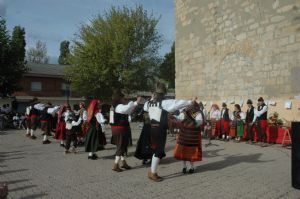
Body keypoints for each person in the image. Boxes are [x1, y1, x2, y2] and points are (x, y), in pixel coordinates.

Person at [143, 82, 194, 182]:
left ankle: (152, 171)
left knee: (156, 150)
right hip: (159, 130)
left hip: (152, 129)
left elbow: (145, 107)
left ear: (154, 93)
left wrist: (152, 98)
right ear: (163, 94)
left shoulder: (148, 103)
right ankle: (152, 173)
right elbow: (176, 104)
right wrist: (189, 102)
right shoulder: (164, 103)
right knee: (159, 151)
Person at [110, 90, 141, 171]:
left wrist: (134, 105)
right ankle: (116, 165)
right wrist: (134, 103)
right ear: (120, 98)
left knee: (121, 145)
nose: (124, 100)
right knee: (121, 146)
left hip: (115, 128)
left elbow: (127, 111)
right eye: (123, 98)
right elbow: (126, 109)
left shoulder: (113, 106)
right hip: (119, 128)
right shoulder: (118, 106)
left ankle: (123, 162)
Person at [170, 102, 204, 174]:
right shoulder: (190, 113)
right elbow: (179, 119)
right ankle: (185, 167)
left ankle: (190, 167)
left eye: (191, 106)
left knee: (188, 151)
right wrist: (173, 117)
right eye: (189, 106)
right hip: (187, 135)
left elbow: (199, 123)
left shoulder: (197, 113)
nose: (190, 107)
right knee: (186, 151)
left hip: (191, 136)